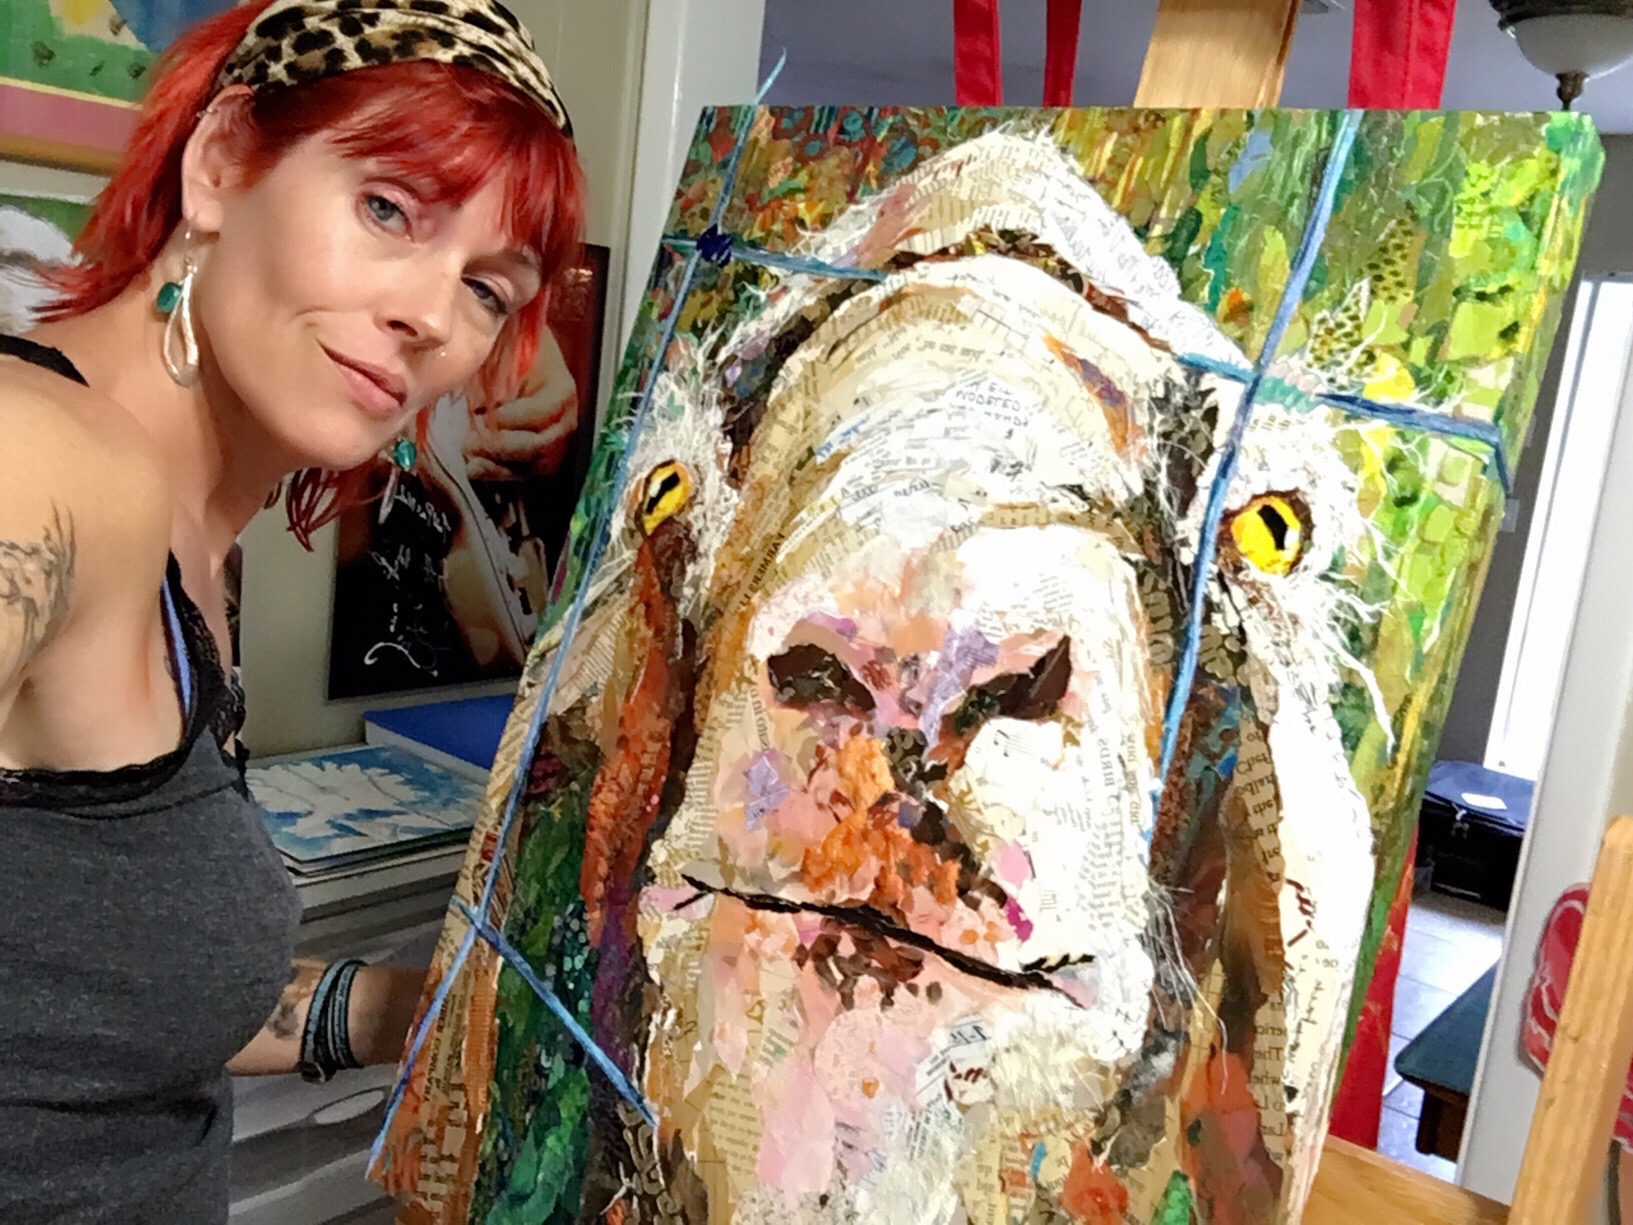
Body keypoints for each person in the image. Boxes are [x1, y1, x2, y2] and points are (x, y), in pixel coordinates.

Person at [0, 0, 584, 1217]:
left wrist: (396, 1008)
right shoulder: (39, 462)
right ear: (221, 163)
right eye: (388, 210)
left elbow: (92, 987)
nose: (433, 315)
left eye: (488, 286)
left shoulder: (198, 547)